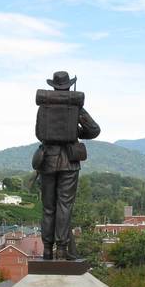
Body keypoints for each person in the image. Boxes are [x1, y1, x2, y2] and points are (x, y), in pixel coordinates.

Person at [35, 71, 100, 260]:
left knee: (48, 207)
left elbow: (39, 133)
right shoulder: (75, 108)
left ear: (54, 86)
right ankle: (62, 249)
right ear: (69, 86)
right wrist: (76, 132)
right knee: (64, 206)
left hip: (47, 160)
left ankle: (47, 250)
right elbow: (94, 130)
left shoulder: (44, 107)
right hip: (69, 162)